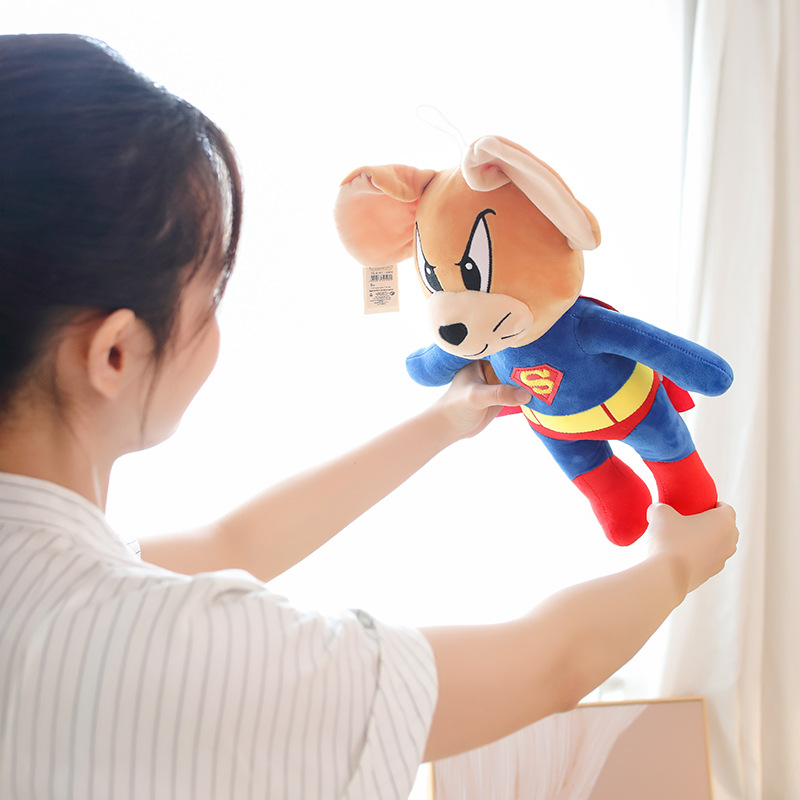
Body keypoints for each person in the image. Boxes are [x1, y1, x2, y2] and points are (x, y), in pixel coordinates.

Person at [0, 33, 738, 800]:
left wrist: (443, 421)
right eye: (210, 295)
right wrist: (678, 563)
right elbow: (550, 664)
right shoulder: (190, 650)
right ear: (116, 353)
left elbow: (233, 544)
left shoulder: (44, 575)